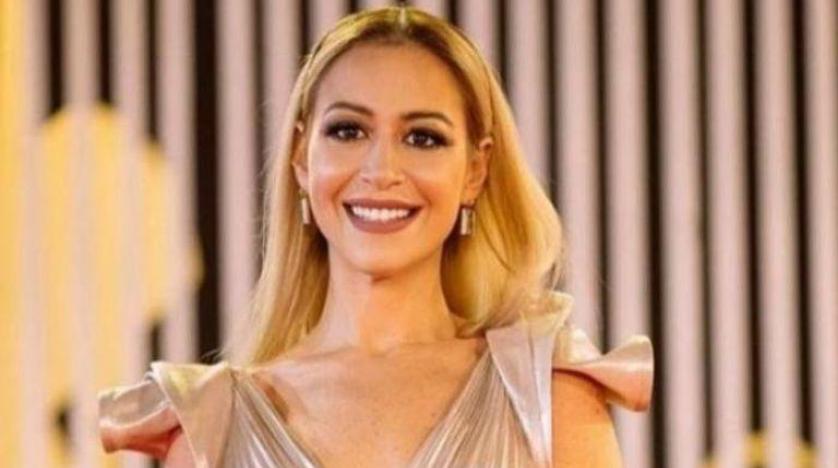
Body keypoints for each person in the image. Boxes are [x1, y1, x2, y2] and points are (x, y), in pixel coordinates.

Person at [98, 6, 652, 467]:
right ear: (301, 157)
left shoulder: (544, 401)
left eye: (422, 137)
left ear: (475, 171)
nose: (381, 170)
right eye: (348, 130)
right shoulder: (214, 426)